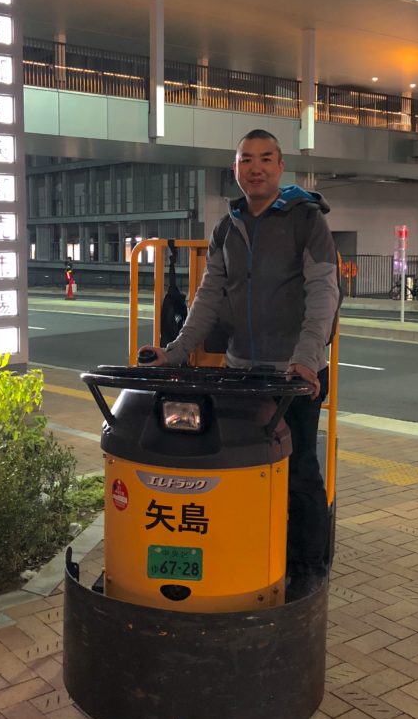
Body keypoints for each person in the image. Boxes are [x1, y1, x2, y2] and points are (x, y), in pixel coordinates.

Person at [142, 130, 341, 599]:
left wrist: (307, 362)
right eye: (246, 160)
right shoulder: (226, 228)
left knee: (299, 469)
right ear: (236, 169)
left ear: (280, 167)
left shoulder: (306, 220)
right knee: (244, 471)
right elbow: (208, 297)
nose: (256, 168)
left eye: (266, 159)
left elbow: (323, 294)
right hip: (241, 371)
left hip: (294, 375)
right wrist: (174, 350)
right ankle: (253, 554)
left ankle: (309, 567)